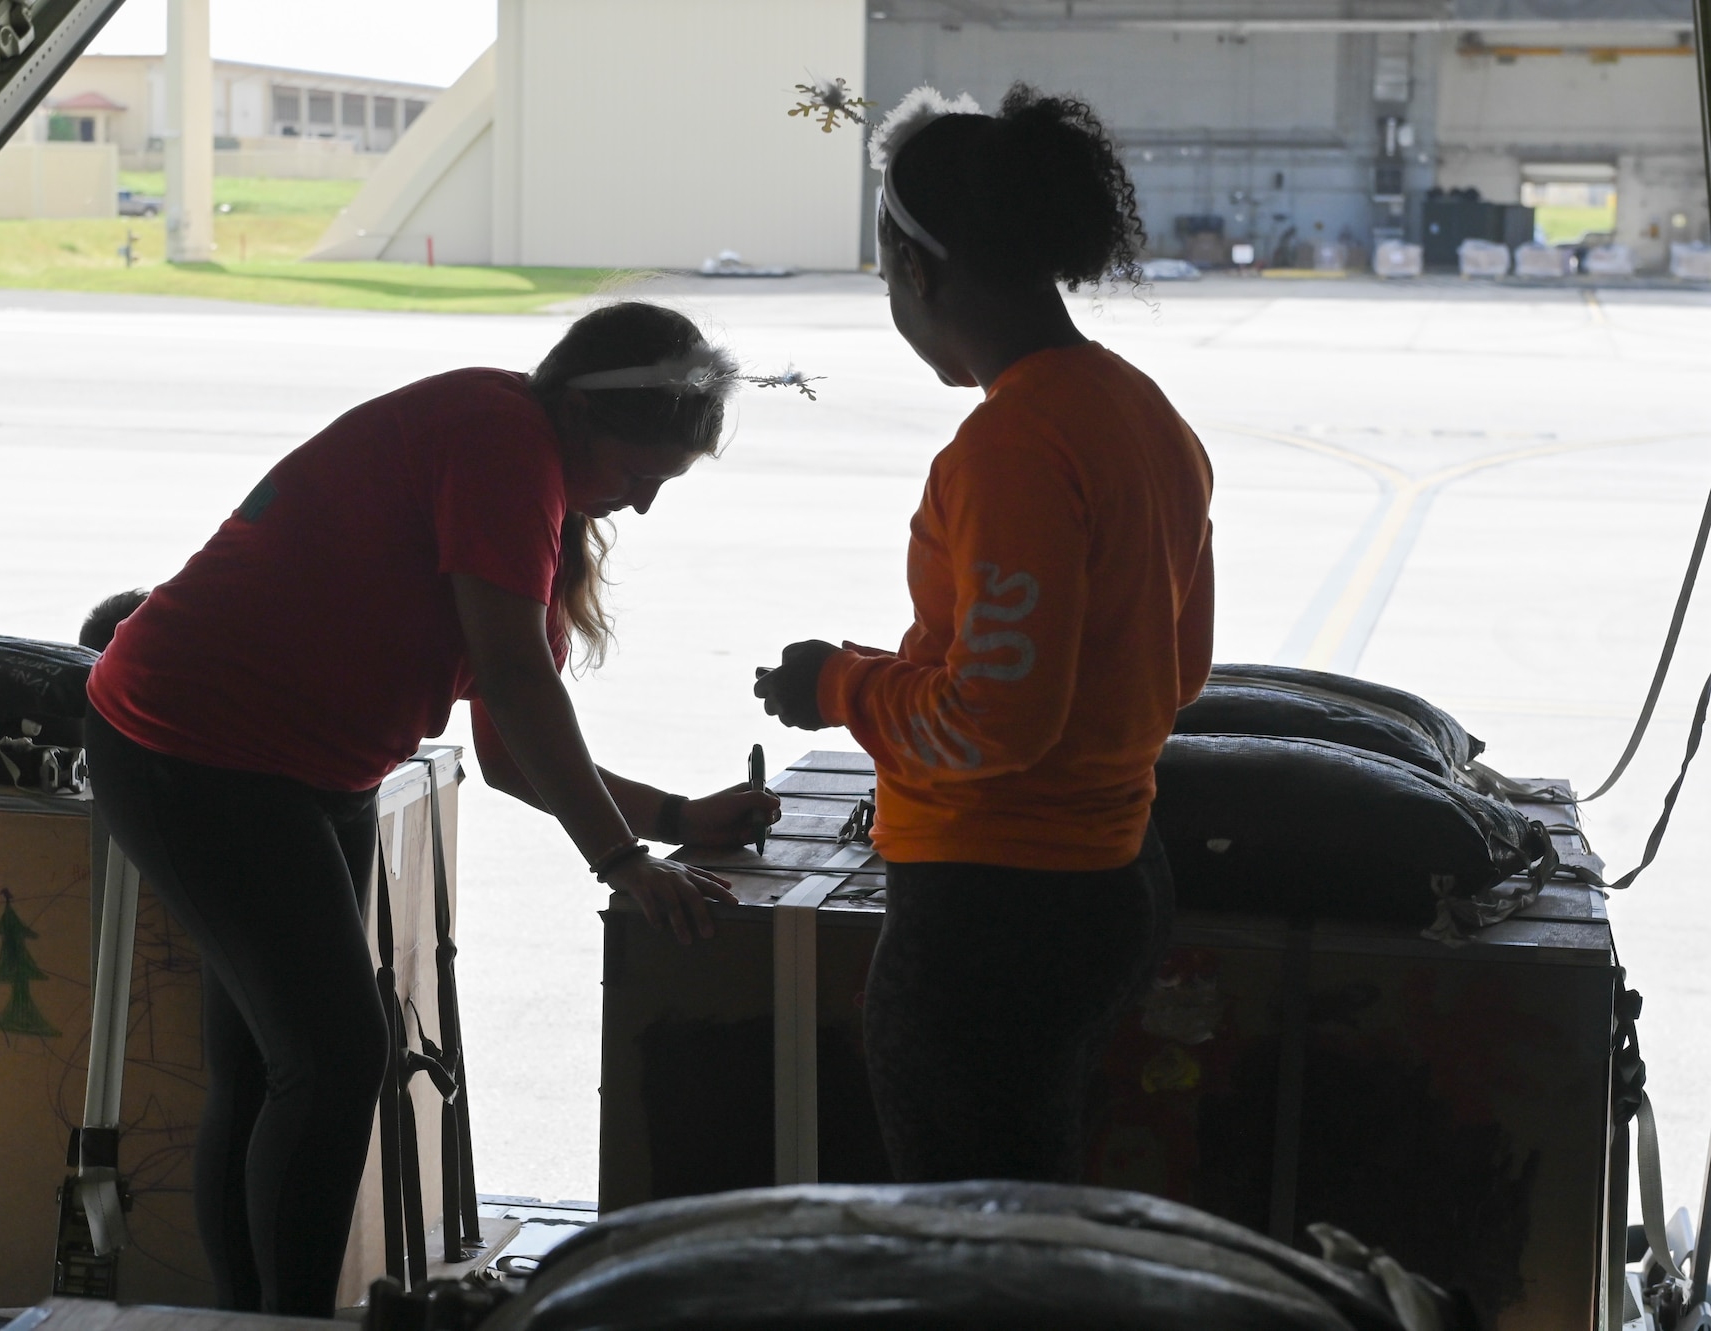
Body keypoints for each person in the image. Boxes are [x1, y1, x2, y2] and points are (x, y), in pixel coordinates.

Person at [83, 301, 780, 1315]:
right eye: (638, 475)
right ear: (583, 417)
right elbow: (514, 674)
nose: (639, 505)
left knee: (278, 1062)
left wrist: (676, 816)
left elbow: (506, 753)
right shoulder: (498, 439)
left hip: (307, 768)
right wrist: (624, 857)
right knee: (330, 1060)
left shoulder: (529, 486)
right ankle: (281, 1321)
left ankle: (254, 1318)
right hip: (192, 749)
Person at [754, 85, 1215, 1185]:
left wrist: (838, 686)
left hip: (994, 908)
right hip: (1111, 877)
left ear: (917, 268)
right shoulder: (1141, 412)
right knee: (1028, 1193)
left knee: (966, 1230)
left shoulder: (1011, 445)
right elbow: (1178, 672)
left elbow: (995, 718)